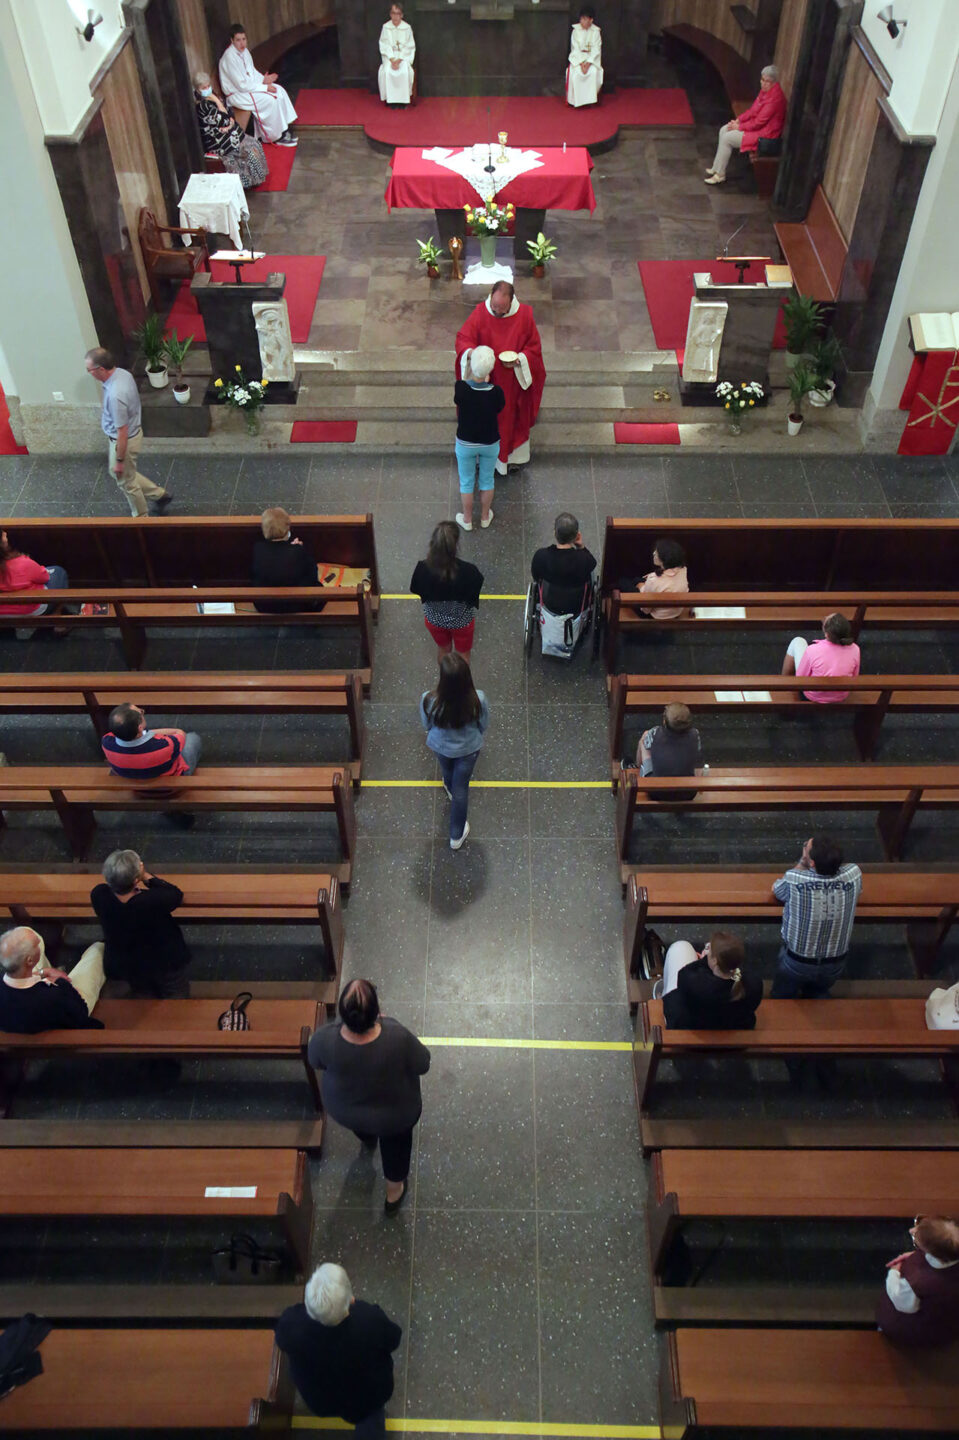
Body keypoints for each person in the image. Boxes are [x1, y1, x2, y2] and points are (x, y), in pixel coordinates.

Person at [308, 980, 430, 1213]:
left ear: (343, 1015)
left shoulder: (324, 1039)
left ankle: (367, 1139)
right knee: (396, 1148)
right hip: (394, 1116)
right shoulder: (396, 1036)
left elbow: (315, 1062)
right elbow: (423, 1063)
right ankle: (393, 1194)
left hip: (347, 1111)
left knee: (364, 1126)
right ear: (377, 1012)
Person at [275, 1262, 402, 1434]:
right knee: (371, 1419)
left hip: (320, 1400)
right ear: (351, 1300)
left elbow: (282, 1340)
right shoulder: (369, 1319)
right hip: (367, 1398)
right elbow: (394, 1339)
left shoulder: (291, 1325)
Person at [455, 282, 546, 477]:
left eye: (501, 309)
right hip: (486, 381)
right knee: (487, 420)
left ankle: (513, 459)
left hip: (512, 381)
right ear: (491, 297)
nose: (496, 312)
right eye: (494, 307)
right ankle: (485, 460)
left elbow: (534, 349)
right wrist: (474, 355)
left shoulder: (524, 315)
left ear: (511, 301)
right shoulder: (481, 312)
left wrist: (520, 359)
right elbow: (463, 339)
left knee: (510, 418)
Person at [84, 347, 173, 518]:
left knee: (126, 482)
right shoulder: (122, 374)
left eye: (89, 370)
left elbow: (122, 432)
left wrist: (119, 460)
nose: (89, 373)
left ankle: (141, 518)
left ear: (100, 369)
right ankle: (159, 495)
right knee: (122, 474)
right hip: (130, 434)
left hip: (123, 441)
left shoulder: (116, 395)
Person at [91, 850, 191, 998]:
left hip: (127, 963)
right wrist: (145, 875)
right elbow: (175, 894)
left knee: (142, 992)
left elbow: (107, 889)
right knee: (176, 991)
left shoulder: (99, 895)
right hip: (164, 962)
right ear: (135, 880)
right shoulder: (149, 902)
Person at [771, 834, 862, 996]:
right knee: (818, 995)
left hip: (798, 961)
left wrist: (802, 861)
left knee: (783, 995)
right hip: (835, 963)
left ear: (812, 863)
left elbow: (777, 891)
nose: (804, 847)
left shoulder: (795, 879)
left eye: (806, 847)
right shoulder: (854, 874)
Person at [419, 652, 490, 850]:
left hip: (440, 746)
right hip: (468, 749)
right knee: (462, 788)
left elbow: (426, 724)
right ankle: (456, 835)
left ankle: (448, 787)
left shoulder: (429, 699)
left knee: (446, 769)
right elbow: (483, 724)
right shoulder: (478, 699)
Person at [0, 926, 104, 1033]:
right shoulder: (54, 996)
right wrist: (61, 982)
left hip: (30, 1005)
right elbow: (80, 1012)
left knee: (25, 930)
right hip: (65, 1008)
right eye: (36, 945)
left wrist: (42, 972)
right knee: (98, 951)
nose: (39, 943)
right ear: (30, 961)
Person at [410, 521, 484, 667]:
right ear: (455, 545)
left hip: (434, 620)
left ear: (433, 543)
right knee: (463, 654)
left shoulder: (422, 569)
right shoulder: (469, 572)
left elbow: (416, 590)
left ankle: (446, 680)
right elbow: (472, 598)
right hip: (461, 621)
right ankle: (461, 683)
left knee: (443, 649)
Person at [877, 1216, 959, 1348]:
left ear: (931, 1251)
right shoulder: (950, 1253)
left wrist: (894, 1272)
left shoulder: (920, 1283)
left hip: (923, 1331)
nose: (911, 1230)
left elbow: (902, 1301)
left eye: (915, 1238)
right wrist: (914, 1256)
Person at [660, 931, 762, 1030]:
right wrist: (711, 959)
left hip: (691, 1035)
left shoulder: (696, 985)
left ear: (715, 961)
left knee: (680, 947)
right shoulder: (753, 984)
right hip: (736, 1041)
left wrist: (703, 960)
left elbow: (683, 974)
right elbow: (739, 973)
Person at [705, 64, 787, 184]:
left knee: (727, 138)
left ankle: (720, 174)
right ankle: (716, 167)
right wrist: (739, 120)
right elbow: (753, 110)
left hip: (765, 135)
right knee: (724, 129)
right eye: (762, 80)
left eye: (767, 81)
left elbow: (759, 122)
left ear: (774, 82)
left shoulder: (775, 99)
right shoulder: (765, 91)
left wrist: (740, 127)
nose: (763, 83)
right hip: (758, 128)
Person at [219, 24, 298, 145]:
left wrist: (264, 79)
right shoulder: (229, 57)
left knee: (279, 90)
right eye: (238, 40)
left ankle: (284, 128)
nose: (242, 43)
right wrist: (265, 87)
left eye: (244, 39)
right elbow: (241, 85)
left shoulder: (244, 52)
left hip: (248, 89)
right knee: (270, 100)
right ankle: (275, 137)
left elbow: (252, 72)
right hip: (238, 95)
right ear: (232, 40)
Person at [454, 345, 505, 532]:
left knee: (466, 481)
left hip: (466, 442)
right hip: (490, 442)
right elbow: (499, 408)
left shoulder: (460, 389)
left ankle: (467, 519)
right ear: (490, 369)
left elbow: (460, 398)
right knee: (487, 480)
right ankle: (484, 517)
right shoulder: (496, 392)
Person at [193, 70, 268, 187]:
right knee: (247, 151)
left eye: (208, 86)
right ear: (198, 89)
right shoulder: (203, 106)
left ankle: (256, 177)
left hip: (227, 132)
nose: (207, 89)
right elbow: (225, 119)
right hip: (218, 140)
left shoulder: (212, 97)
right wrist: (218, 103)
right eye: (204, 87)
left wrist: (228, 120)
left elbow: (229, 113)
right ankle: (246, 182)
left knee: (254, 144)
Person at [101, 701, 202, 780]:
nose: (142, 712)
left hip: (132, 780)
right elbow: (181, 735)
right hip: (169, 783)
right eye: (140, 713)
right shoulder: (164, 745)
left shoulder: (106, 742)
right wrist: (176, 730)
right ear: (140, 728)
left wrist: (146, 733)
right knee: (193, 738)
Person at [251, 506, 326, 613]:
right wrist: (299, 548)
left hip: (265, 606)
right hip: (297, 606)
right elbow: (313, 573)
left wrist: (293, 549)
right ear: (287, 528)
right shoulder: (297, 552)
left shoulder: (258, 548)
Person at [625, 703, 705, 801]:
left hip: (656, 792)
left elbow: (648, 743)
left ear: (664, 721)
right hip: (688, 793)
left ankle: (638, 768)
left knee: (644, 740)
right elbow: (698, 757)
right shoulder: (695, 734)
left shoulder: (654, 733)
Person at [782, 611, 861, 702]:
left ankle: (785, 684)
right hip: (841, 696)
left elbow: (801, 678)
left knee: (798, 641)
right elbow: (855, 676)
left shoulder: (813, 650)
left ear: (827, 634)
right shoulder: (855, 649)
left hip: (813, 696)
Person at [531, 512, 597, 616]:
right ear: (576, 536)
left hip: (550, 605)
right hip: (576, 608)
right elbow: (592, 565)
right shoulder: (584, 560)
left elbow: (536, 578)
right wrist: (581, 547)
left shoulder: (541, 556)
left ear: (555, 533)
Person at [0, 529, 69, 623]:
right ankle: (57, 616)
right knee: (59, 571)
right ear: (3, 545)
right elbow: (44, 577)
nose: (5, 533)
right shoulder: (22, 563)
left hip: (3, 613)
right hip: (33, 609)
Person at [637, 537, 688, 619]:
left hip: (657, 616)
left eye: (657, 553)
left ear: (664, 559)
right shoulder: (683, 569)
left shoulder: (654, 580)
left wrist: (641, 587)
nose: (653, 553)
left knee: (626, 583)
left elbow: (645, 610)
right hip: (676, 612)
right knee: (637, 580)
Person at [378, 4, 416, 107]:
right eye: (393, 13)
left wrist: (399, 60)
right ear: (390, 14)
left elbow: (410, 46)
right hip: (390, 57)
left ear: (402, 15)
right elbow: (384, 44)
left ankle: (403, 101)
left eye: (398, 14)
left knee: (404, 71)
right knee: (387, 71)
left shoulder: (407, 28)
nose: (395, 16)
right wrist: (391, 58)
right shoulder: (386, 27)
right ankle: (391, 101)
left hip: (403, 57)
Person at [566, 7, 603, 108]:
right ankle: (575, 101)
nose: (583, 21)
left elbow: (596, 49)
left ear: (591, 20)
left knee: (593, 72)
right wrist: (582, 63)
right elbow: (575, 48)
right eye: (581, 19)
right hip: (578, 58)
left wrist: (589, 63)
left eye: (585, 19)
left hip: (591, 59)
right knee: (577, 72)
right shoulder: (576, 31)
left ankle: (590, 101)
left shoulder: (596, 32)